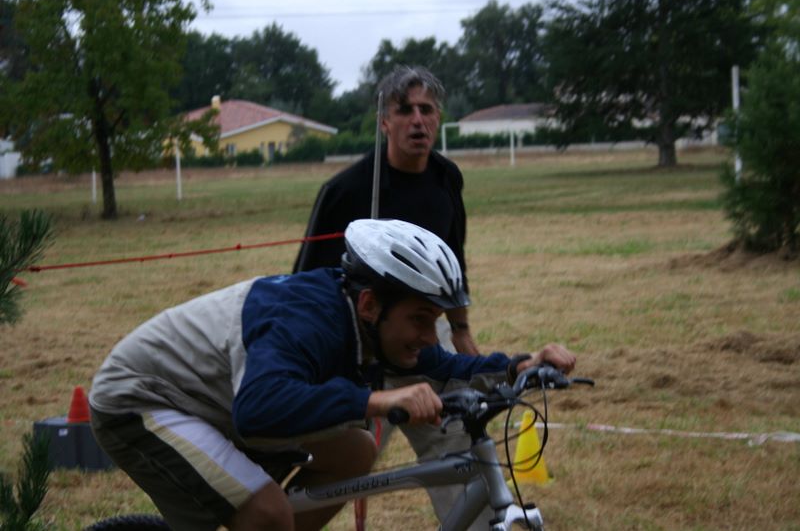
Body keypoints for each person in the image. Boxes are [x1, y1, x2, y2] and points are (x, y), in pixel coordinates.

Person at [89, 219, 576, 531]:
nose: (431, 336)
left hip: (214, 402)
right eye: (421, 319)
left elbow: (442, 364)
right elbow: (259, 408)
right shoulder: (306, 319)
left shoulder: (365, 322)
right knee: (266, 513)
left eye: (436, 320)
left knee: (356, 451)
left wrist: (518, 365)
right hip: (142, 400)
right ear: (370, 304)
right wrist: (375, 401)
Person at [293, 65, 479, 356]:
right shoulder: (345, 190)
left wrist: (461, 331)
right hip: (353, 331)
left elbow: (452, 260)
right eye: (404, 110)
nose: (417, 120)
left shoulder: (447, 177)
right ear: (384, 123)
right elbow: (304, 282)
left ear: (438, 118)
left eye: (426, 110)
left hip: (422, 325)